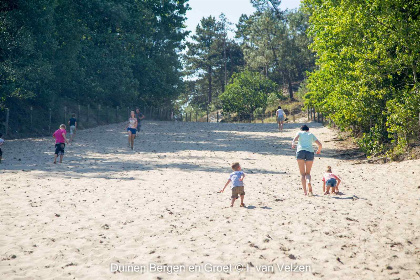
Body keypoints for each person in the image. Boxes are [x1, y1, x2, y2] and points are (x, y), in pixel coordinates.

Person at [292, 125, 322, 196]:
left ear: (301, 129)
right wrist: (318, 150)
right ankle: (308, 182)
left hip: (300, 152)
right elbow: (320, 145)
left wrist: (293, 144)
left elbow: (294, 140)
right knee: (308, 173)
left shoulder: (299, 133)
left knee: (302, 174)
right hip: (310, 153)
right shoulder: (311, 134)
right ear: (308, 130)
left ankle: (305, 191)